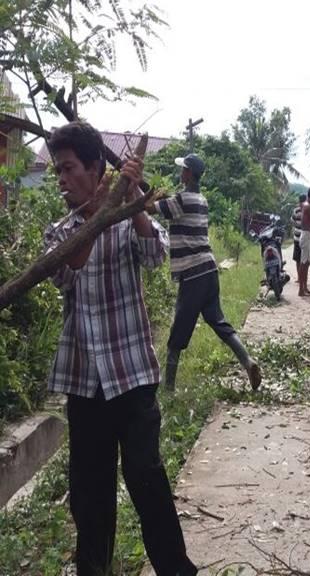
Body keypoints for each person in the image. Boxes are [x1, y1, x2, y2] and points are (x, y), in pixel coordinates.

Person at [43, 121, 198, 576]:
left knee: (147, 480)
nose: (62, 179)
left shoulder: (126, 220)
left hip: (131, 377)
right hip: (84, 384)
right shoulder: (60, 233)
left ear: (95, 168)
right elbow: (68, 268)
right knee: (90, 498)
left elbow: (155, 257)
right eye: (58, 170)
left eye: (70, 168)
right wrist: (100, 213)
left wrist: (132, 206)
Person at [149, 153, 261, 392]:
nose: (180, 173)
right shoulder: (201, 200)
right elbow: (173, 206)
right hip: (209, 270)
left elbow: (150, 208)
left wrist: (141, 191)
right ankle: (247, 360)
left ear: (188, 173)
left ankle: (168, 389)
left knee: (177, 333)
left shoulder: (180, 200)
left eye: (183, 170)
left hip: (193, 273)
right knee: (217, 320)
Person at [291, 193, 306, 266]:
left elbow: (293, 221)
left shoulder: (307, 210)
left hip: (302, 238)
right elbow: (292, 221)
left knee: (302, 260)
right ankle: (299, 276)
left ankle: (301, 276)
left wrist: (297, 226)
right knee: (298, 259)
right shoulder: (296, 210)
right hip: (297, 238)